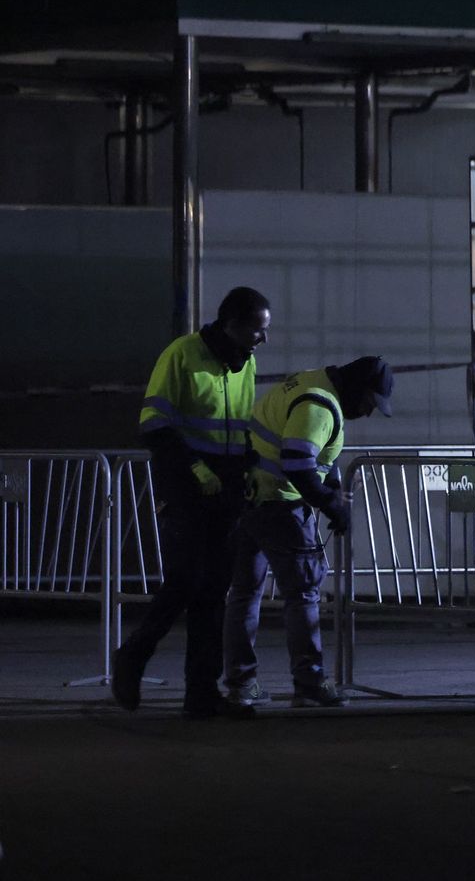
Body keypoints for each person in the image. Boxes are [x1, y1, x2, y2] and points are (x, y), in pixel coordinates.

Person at [113, 286, 271, 718]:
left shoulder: (246, 363)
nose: (263, 339)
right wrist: (195, 468)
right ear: (232, 325)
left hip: (227, 488)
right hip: (184, 485)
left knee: (212, 592)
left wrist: (250, 466)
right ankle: (132, 655)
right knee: (185, 579)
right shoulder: (181, 355)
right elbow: (154, 424)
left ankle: (201, 694)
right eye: (258, 329)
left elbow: (241, 426)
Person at [221, 356, 393, 716]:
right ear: (357, 388)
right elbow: (298, 462)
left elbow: (307, 455)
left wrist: (328, 483)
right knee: (302, 595)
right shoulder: (320, 406)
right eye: (368, 403)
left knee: (244, 594)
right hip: (282, 506)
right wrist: (332, 504)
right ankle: (309, 683)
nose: (368, 412)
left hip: (249, 498)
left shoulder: (308, 381)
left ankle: (240, 683)